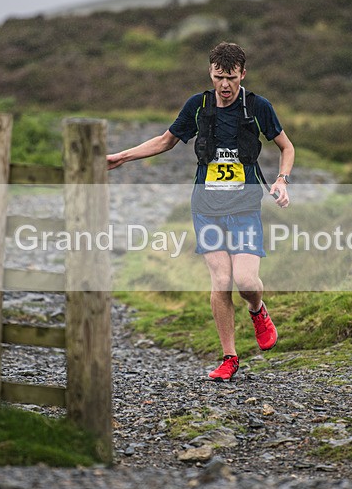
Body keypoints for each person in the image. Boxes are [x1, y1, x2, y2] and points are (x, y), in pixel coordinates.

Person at [106, 42, 295, 380]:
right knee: (221, 281)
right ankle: (229, 357)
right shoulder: (198, 106)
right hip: (206, 208)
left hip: (245, 207)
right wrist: (122, 156)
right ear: (210, 72)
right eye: (219, 77)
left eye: (232, 78)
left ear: (243, 75)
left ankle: (257, 310)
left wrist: (281, 180)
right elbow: (165, 140)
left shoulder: (257, 107)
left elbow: (286, 146)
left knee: (246, 281)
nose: (225, 85)